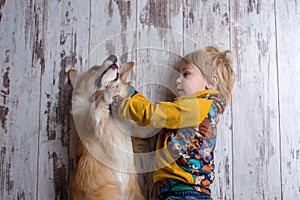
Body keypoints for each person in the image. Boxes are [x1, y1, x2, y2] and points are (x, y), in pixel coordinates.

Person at [112, 46, 235, 200]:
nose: (178, 80)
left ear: (210, 82)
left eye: (186, 74)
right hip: (181, 192)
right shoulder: (198, 108)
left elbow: (153, 114)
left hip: (184, 194)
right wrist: (133, 94)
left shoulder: (196, 107)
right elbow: (157, 113)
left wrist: (116, 104)